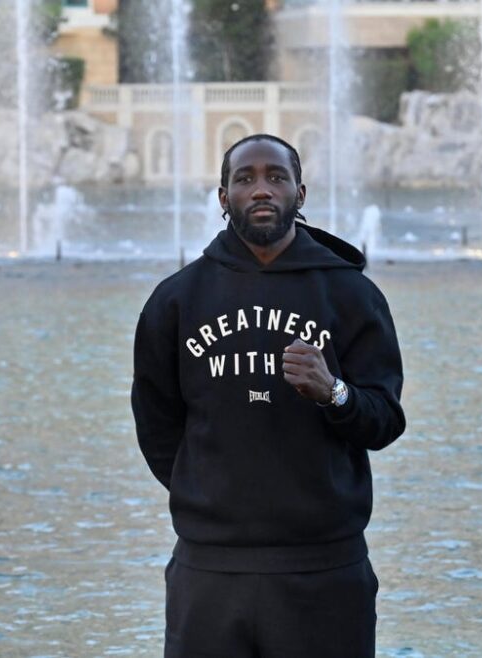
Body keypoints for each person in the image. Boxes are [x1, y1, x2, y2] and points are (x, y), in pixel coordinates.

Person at [131, 134, 405, 657]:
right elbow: (156, 425)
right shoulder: (176, 300)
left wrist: (333, 392)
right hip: (209, 570)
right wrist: (210, 490)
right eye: (245, 178)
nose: (262, 189)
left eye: (277, 177)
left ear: (300, 194)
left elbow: (385, 421)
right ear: (223, 197)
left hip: (325, 570)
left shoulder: (351, 294)